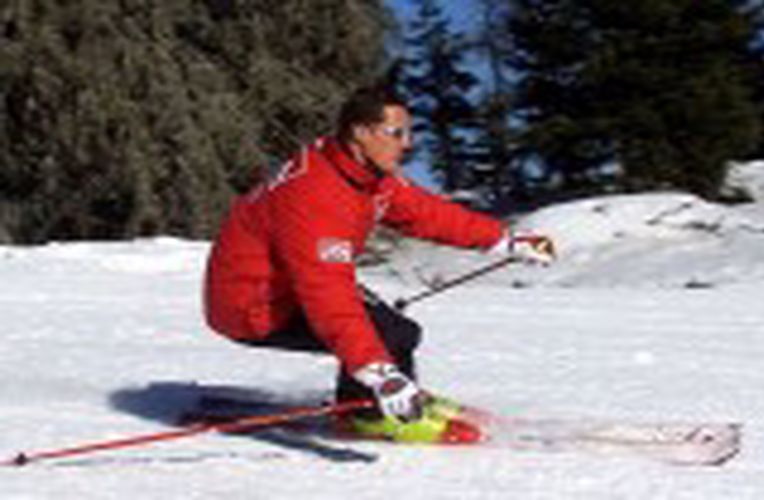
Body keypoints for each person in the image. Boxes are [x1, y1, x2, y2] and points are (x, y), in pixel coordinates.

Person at [203, 85, 555, 442]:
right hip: (253, 306)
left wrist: (505, 240)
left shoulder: (364, 175)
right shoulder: (316, 194)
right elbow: (328, 296)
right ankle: (368, 414)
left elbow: (426, 213)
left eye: (409, 133)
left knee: (399, 332)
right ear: (360, 132)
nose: (407, 144)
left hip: (289, 288)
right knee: (387, 335)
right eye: (396, 133)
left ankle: (388, 397)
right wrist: (376, 371)